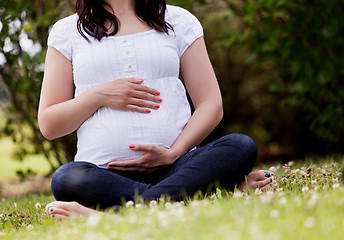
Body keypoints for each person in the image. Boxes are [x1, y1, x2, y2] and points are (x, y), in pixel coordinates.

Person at [38, 0, 273, 220]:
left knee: (240, 146)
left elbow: (211, 104)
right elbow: (49, 123)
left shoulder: (179, 21)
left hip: (177, 167)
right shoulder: (68, 31)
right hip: (104, 175)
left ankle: (113, 215)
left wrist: (174, 153)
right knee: (66, 179)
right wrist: (98, 95)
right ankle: (196, 197)